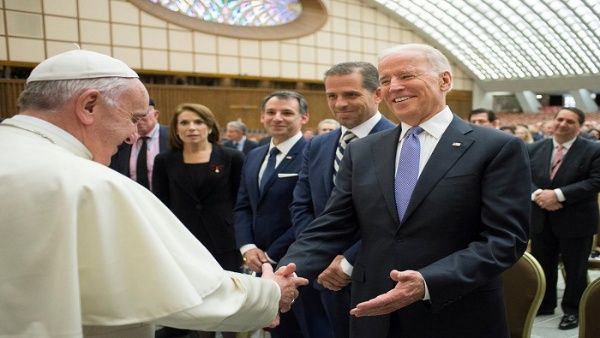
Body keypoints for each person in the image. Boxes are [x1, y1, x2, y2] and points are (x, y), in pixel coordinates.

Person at [0, 49, 307, 338]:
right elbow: (182, 291)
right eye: (133, 118)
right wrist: (271, 293)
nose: (134, 135)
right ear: (88, 105)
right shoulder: (89, 183)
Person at [279, 43, 531, 338]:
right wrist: (285, 273)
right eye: (385, 80)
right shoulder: (362, 151)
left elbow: (505, 240)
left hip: (456, 313)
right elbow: (332, 225)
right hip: (372, 312)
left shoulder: (496, 147)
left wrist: (427, 282)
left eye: (406, 76)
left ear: (445, 81)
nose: (394, 87)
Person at [290, 61, 395, 338]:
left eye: (350, 94)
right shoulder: (318, 145)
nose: (340, 103)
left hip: (378, 273)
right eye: (332, 96)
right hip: (325, 275)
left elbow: (398, 215)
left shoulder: (401, 142)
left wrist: (348, 260)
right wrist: (322, 255)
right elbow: (303, 205)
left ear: (378, 94)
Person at [234, 91, 331, 338]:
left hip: (298, 262)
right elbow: (244, 205)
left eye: (287, 112)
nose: (278, 118)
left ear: (304, 117)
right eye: (271, 112)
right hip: (258, 260)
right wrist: (247, 247)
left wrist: (271, 254)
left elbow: (312, 212)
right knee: (277, 329)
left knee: (310, 328)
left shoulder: (314, 154)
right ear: (262, 117)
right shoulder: (255, 154)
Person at [153, 103, 245, 338]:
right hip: (183, 240)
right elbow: (161, 204)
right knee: (196, 301)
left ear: (210, 126)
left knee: (228, 301)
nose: (191, 127)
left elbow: (240, 201)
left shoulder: (231, 157)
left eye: (198, 122)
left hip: (223, 238)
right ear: (175, 128)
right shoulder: (164, 161)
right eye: (184, 122)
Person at [528, 106, 600, 330]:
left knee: (575, 269)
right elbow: (520, 175)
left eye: (570, 121)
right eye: (560, 119)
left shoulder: (593, 150)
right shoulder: (534, 148)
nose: (562, 124)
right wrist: (538, 194)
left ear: (579, 126)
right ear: (553, 121)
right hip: (541, 217)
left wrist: (559, 195)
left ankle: (573, 309)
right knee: (543, 264)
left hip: (576, 219)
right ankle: (545, 303)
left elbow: (595, 181)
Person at [109, 97, 169, 190]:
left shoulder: (172, 137)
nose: (138, 120)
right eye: (133, 116)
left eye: (143, 114)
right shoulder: (122, 141)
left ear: (156, 114)